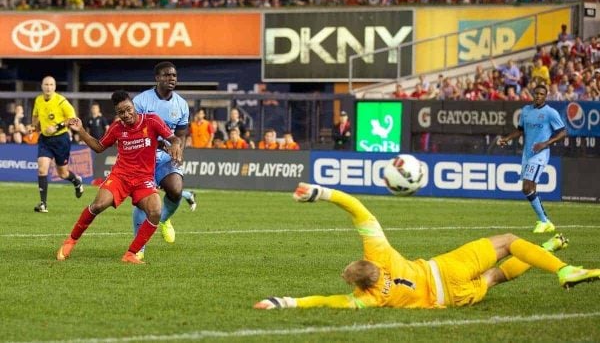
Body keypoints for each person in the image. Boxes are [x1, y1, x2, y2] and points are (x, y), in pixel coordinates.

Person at [254, 183, 600, 310]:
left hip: (450, 299)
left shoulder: (368, 299)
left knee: (496, 278)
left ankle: (550, 245)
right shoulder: (381, 255)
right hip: (446, 268)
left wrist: (284, 302)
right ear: (365, 263)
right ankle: (561, 267)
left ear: (358, 284)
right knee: (509, 242)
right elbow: (359, 210)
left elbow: (325, 301)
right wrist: (322, 193)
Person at [56, 90, 182, 264]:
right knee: (98, 205)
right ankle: (70, 240)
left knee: (155, 211)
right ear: (117, 113)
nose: (127, 114)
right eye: (121, 112)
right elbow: (99, 147)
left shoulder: (152, 121)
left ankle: (131, 254)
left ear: (134, 106)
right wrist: (81, 131)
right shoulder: (117, 128)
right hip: (120, 176)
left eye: (129, 109)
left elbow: (173, 138)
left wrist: (175, 144)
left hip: (143, 179)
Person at [131, 61, 189, 257]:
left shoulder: (181, 104)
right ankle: (139, 247)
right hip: (142, 157)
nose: (171, 78)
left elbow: (181, 134)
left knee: (176, 190)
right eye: (166, 75)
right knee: (144, 201)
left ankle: (163, 220)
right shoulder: (141, 101)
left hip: (165, 158)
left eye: (174, 75)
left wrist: (179, 152)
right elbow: (133, 132)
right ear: (157, 78)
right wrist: (160, 144)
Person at [498, 85, 566, 233]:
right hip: (527, 155)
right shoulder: (526, 111)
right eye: (536, 93)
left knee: (526, 187)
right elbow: (520, 130)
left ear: (545, 96)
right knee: (531, 188)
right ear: (533, 94)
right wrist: (507, 138)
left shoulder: (550, 113)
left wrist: (546, 143)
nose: (538, 96)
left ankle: (544, 221)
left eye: (542, 94)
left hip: (540, 154)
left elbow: (563, 132)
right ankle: (545, 222)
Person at [30, 76, 84, 213]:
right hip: (45, 140)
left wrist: (57, 127)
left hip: (61, 140)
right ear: (42, 86)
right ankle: (43, 204)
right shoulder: (38, 100)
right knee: (42, 169)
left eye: (51, 84)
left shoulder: (61, 101)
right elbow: (36, 115)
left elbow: (73, 119)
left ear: (55, 87)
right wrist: (33, 125)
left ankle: (76, 181)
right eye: (46, 84)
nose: (48, 87)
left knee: (63, 174)